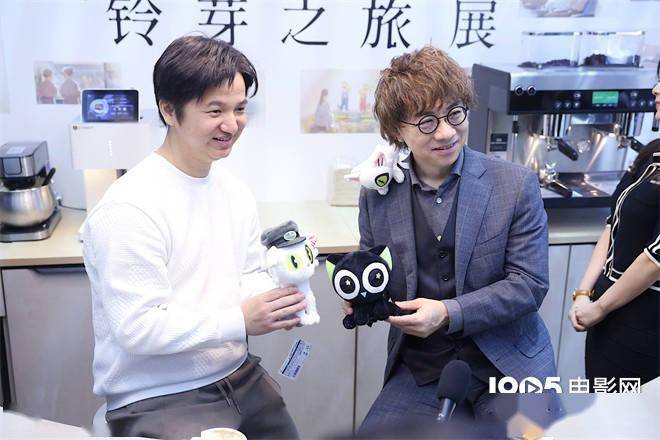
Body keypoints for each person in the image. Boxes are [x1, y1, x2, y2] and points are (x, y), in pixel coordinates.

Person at [82, 36, 303, 439]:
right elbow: (138, 327)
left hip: (239, 376)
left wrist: (277, 299)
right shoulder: (130, 206)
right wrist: (240, 319)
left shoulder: (234, 191)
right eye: (215, 110)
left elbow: (247, 274)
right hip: (155, 396)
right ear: (169, 110)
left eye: (239, 109)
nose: (231, 125)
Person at [348, 46, 562, 432]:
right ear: (397, 130)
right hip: (423, 369)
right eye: (427, 121)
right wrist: (363, 298)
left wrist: (448, 313)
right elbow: (375, 273)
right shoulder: (378, 195)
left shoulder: (514, 185)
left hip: (509, 366)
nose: (447, 132)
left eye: (454, 114)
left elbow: (529, 285)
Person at [568, 71, 660, 386]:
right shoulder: (653, 152)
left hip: (645, 326)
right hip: (607, 317)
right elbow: (613, 224)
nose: (655, 89)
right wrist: (584, 293)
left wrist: (600, 308)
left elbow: (655, 259)